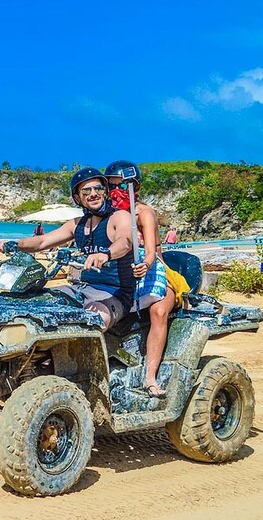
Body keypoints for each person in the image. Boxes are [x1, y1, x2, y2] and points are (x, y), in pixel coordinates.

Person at [0, 167, 134, 330]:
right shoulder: (77, 224)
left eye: (97, 188)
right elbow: (42, 242)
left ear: (105, 191)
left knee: (94, 321)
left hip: (114, 293)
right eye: (86, 191)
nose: (93, 193)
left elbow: (125, 241)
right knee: (29, 303)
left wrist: (106, 254)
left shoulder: (119, 217)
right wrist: (15, 244)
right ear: (78, 198)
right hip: (80, 288)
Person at [104, 160, 189, 399]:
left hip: (155, 272)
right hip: (122, 273)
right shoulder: (108, 215)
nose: (117, 191)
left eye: (122, 186)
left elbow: (151, 250)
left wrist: (146, 264)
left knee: (159, 312)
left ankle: (150, 377)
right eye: (112, 186)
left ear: (134, 187)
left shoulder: (143, 212)